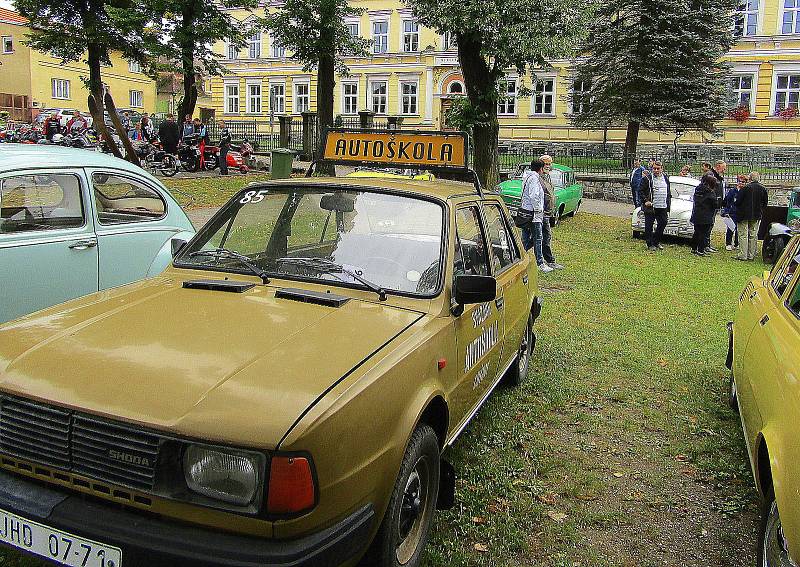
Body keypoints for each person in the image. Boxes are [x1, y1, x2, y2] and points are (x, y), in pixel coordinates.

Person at [520, 160, 551, 273]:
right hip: (534, 214)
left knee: (526, 237)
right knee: (538, 238)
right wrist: (539, 209)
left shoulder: (527, 177)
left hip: (527, 212)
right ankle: (540, 263)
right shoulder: (534, 179)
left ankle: (517, 255)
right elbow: (534, 195)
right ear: (540, 168)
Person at [734, 171, 769, 261]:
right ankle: (751, 254)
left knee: (743, 234)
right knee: (753, 234)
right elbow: (765, 203)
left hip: (743, 214)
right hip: (756, 214)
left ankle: (743, 254)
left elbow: (738, 202)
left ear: (750, 179)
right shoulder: (763, 189)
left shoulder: (745, 188)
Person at [638, 160, 671, 251]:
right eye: (654, 168)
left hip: (662, 205)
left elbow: (668, 191)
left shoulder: (665, 177)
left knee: (663, 223)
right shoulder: (647, 179)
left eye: (658, 169)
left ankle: (656, 241)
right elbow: (640, 191)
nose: (656, 170)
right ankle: (650, 244)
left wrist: (668, 203)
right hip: (651, 207)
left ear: (662, 169)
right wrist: (645, 201)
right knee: (649, 225)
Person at [539, 155, 564, 270]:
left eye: (549, 164)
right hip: (540, 213)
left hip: (546, 213)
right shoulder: (538, 177)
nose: (548, 166)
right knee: (544, 236)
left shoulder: (547, 177)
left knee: (534, 237)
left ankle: (516, 255)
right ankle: (549, 261)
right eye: (546, 164)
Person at [690, 173, 720, 257]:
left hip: (697, 214)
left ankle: (694, 248)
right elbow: (715, 205)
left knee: (696, 232)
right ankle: (701, 250)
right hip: (706, 216)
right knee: (703, 234)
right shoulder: (710, 193)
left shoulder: (698, 189)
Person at [722, 176, 744, 251]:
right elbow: (727, 202)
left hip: (741, 212)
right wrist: (726, 212)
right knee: (730, 228)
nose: (741, 183)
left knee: (739, 229)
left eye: (743, 182)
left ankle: (737, 243)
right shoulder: (732, 191)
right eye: (740, 181)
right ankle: (728, 243)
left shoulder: (744, 191)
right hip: (732, 212)